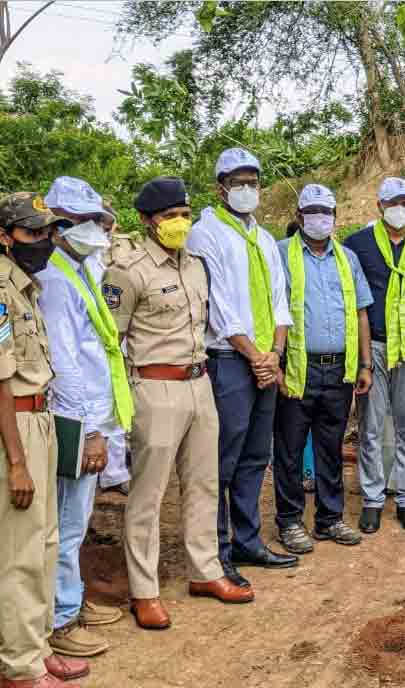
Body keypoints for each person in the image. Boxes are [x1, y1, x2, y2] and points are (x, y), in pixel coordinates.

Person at [105, 176, 255, 631]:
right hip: (155, 387)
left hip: (199, 381)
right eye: (170, 216)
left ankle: (205, 571)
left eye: (185, 215)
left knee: (204, 484)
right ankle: (144, 590)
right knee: (148, 495)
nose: (180, 223)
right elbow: (112, 339)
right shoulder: (128, 271)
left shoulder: (196, 265)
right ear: (147, 220)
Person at [0, 193, 85, 688]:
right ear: (3, 236)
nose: (44, 242)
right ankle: (19, 667)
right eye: (33, 233)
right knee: (17, 551)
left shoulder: (26, 288)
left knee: (44, 543)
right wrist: (16, 462)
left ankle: (37, 647)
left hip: (38, 419)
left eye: (48, 232)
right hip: (9, 425)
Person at [188, 148, 295, 572]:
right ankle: (217, 549)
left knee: (255, 455)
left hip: (265, 360)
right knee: (222, 458)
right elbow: (217, 305)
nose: (247, 189)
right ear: (221, 188)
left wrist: (275, 355)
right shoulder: (205, 234)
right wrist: (255, 357)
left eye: (253, 182)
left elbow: (280, 301)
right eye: (238, 183)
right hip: (230, 361)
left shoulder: (264, 239)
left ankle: (248, 541)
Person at [34, 177, 126, 658]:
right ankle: (60, 617)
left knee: (77, 518)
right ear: (56, 225)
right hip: (72, 418)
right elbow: (65, 363)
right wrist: (89, 431)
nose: (93, 227)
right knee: (66, 522)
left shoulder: (82, 266)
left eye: (95, 219)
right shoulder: (53, 279)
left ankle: (70, 599)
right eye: (81, 220)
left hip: (91, 413)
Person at [272, 184, 374, 554]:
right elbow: (271, 310)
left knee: (331, 447)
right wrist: (276, 363)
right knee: (290, 448)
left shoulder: (347, 258)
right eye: (312, 211)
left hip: (339, 371)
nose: (320, 218)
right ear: (299, 216)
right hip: (297, 369)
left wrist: (365, 363)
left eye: (326, 212)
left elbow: (361, 313)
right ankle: (290, 521)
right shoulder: (280, 253)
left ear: (335, 217)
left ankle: (330, 519)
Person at [344, 177, 405, 534]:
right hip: (374, 346)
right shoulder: (357, 245)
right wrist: (362, 358)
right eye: (393, 203)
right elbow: (353, 298)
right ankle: (372, 500)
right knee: (370, 425)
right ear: (379, 206)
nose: (400, 209)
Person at [95, 202, 132, 498]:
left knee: (116, 408)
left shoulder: (123, 250)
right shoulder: (78, 257)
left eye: (108, 227)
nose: (104, 232)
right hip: (90, 345)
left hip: (115, 342)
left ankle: (114, 472)